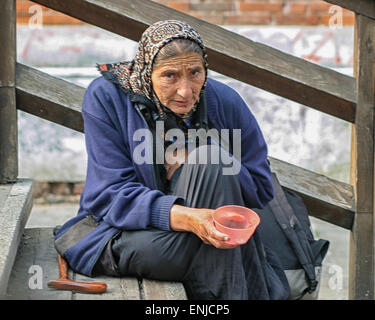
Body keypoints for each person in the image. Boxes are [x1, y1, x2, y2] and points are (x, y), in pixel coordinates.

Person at [54, 20, 289, 300]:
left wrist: (200, 154)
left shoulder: (225, 102)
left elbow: (261, 190)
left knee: (213, 163)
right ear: (146, 71)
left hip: (210, 233)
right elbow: (109, 196)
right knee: (223, 246)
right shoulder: (107, 98)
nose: (186, 91)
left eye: (195, 73)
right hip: (133, 233)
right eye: (170, 76)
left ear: (205, 69)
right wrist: (189, 218)